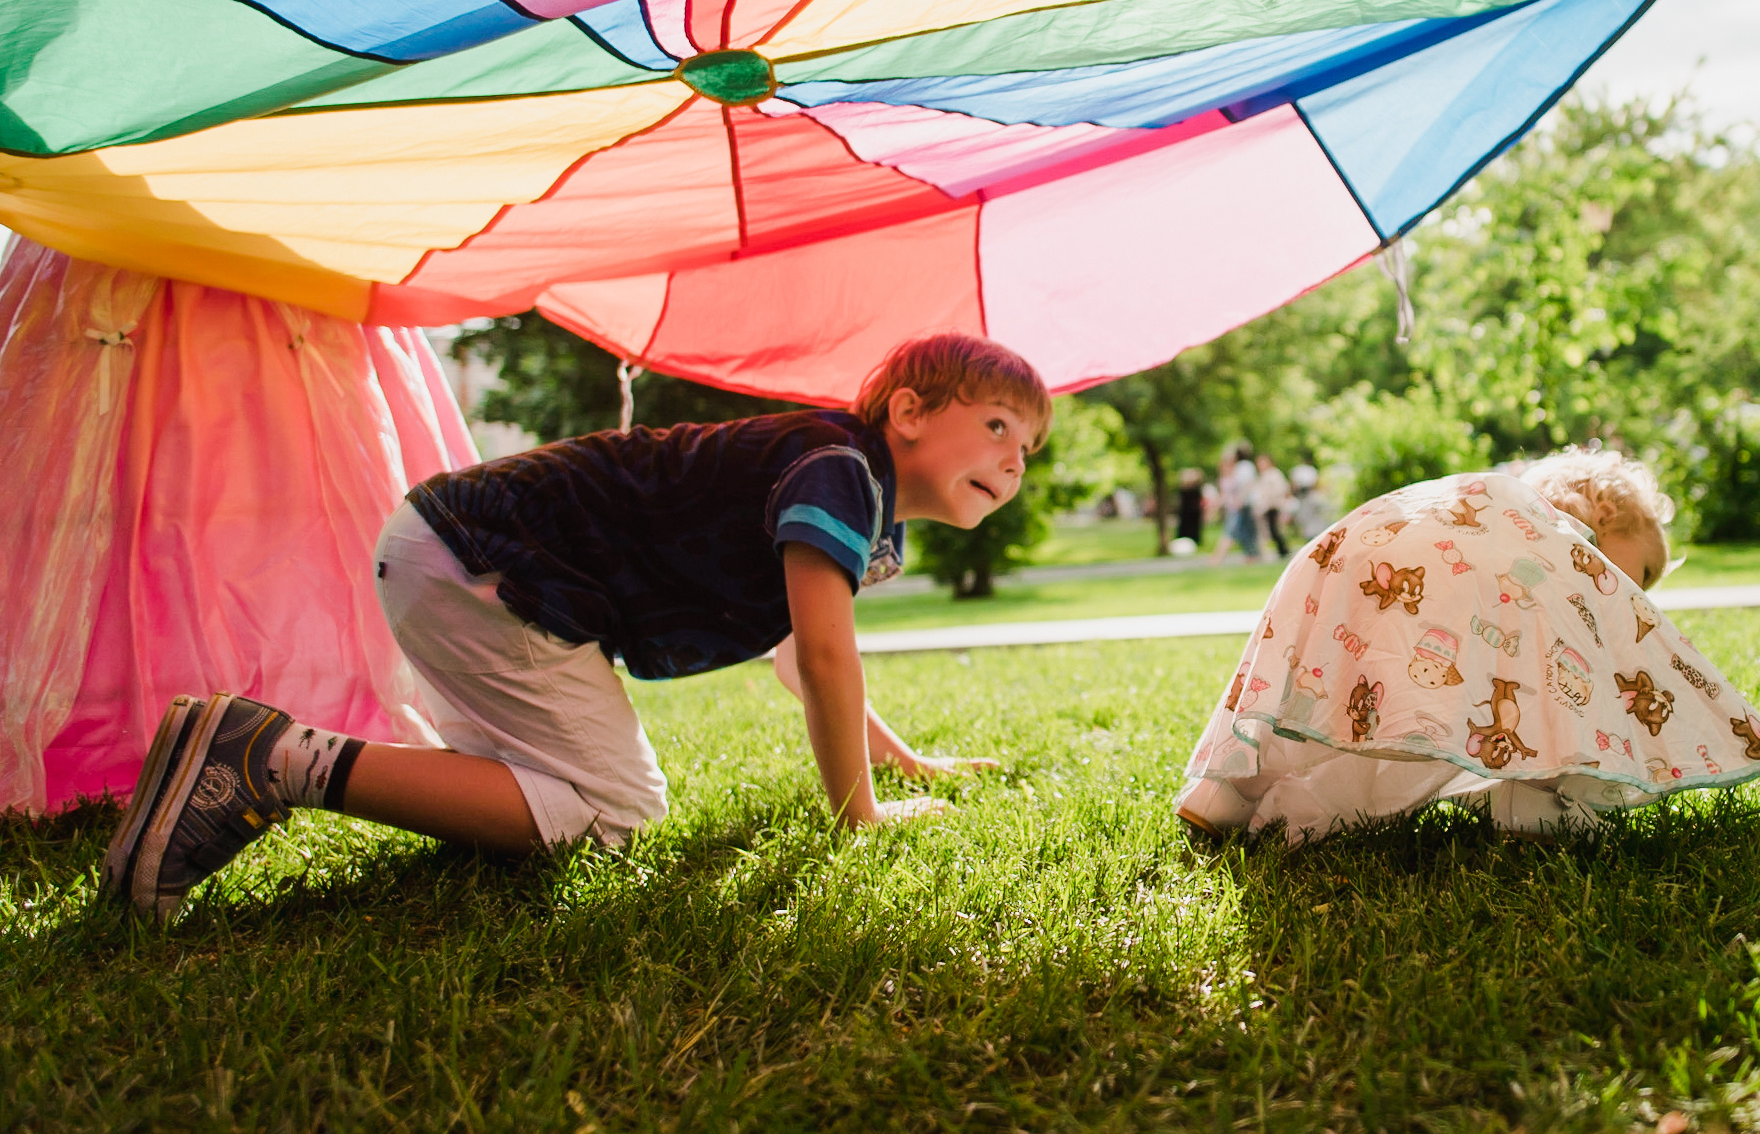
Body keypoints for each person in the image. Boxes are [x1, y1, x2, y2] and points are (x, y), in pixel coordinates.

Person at [98, 333, 1050, 922]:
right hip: (495, 566)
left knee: (538, 799)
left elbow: (801, 656)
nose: (1015, 464)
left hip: (460, 554)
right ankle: (271, 756)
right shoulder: (841, 468)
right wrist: (857, 815)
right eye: (1001, 426)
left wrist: (901, 762)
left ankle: (265, 756)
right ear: (911, 412)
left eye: (1031, 450)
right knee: (617, 811)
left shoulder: (854, 499)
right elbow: (831, 656)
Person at [1176, 448, 1760, 843]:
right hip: (1435, 565)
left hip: (1359, 551)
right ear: (1604, 514)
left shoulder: (1490, 520)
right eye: (1647, 573)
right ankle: (1537, 797)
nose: (1640, 594)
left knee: (1336, 697)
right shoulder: (1551, 558)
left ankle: (1226, 789)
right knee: (1508, 705)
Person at [1208, 442, 1260, 566]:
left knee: (1233, 531)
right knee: (1246, 532)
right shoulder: (1239, 469)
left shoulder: (1244, 467)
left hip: (1240, 505)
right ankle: (1252, 555)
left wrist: (1240, 499)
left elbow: (1247, 485)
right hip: (1240, 505)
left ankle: (1218, 558)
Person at [1253, 453, 1294, 559]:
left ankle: (1283, 550)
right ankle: (1281, 550)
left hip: (1274, 505)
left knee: (1275, 529)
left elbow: (1280, 489)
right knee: (1272, 529)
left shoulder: (1274, 474)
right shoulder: (1264, 475)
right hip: (1267, 506)